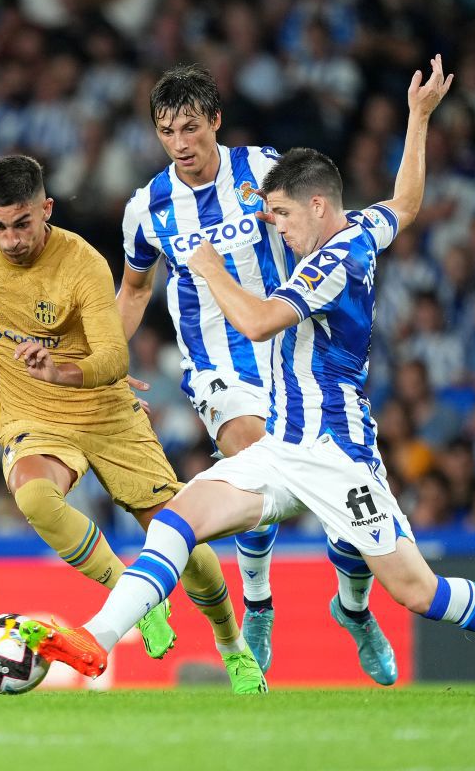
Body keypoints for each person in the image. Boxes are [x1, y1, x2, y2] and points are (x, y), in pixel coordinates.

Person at [21, 57, 475, 695]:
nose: (276, 227)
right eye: (166, 131)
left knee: (416, 589)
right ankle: (97, 641)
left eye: (282, 217)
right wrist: (418, 118)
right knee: (176, 521)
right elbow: (405, 203)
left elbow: (263, 322)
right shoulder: (357, 227)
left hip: (336, 453)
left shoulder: (326, 266)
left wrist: (210, 268)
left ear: (315, 206)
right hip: (278, 445)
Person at [0, 155, 265, 693]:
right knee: (33, 497)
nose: (10, 240)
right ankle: (132, 599)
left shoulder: (81, 264)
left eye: (22, 224)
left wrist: (60, 369)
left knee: (180, 534)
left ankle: (232, 644)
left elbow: (114, 358)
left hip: (104, 409)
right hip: (32, 410)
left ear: (46, 209)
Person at [116, 63, 394, 682]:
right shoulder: (148, 209)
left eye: (191, 127)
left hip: (297, 354)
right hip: (218, 364)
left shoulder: (265, 171)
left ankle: (355, 608)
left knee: (343, 496)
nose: (181, 143)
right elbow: (134, 290)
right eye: (167, 131)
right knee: (250, 453)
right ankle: (259, 604)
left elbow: (320, 226)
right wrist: (108, 361)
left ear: (216, 121)